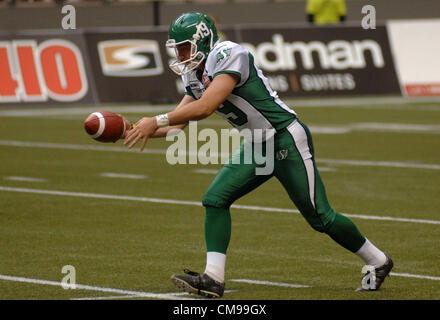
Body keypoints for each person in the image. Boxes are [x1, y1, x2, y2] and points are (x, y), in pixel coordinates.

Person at [123, 12, 393, 298]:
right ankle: (213, 278)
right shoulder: (194, 72)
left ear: (203, 40)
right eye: (177, 48)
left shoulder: (228, 53)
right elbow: (177, 124)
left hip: (285, 138)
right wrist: (130, 129)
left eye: (185, 47)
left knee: (319, 217)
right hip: (256, 144)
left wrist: (157, 119)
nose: (181, 54)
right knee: (215, 199)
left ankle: (377, 261)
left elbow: (206, 107)